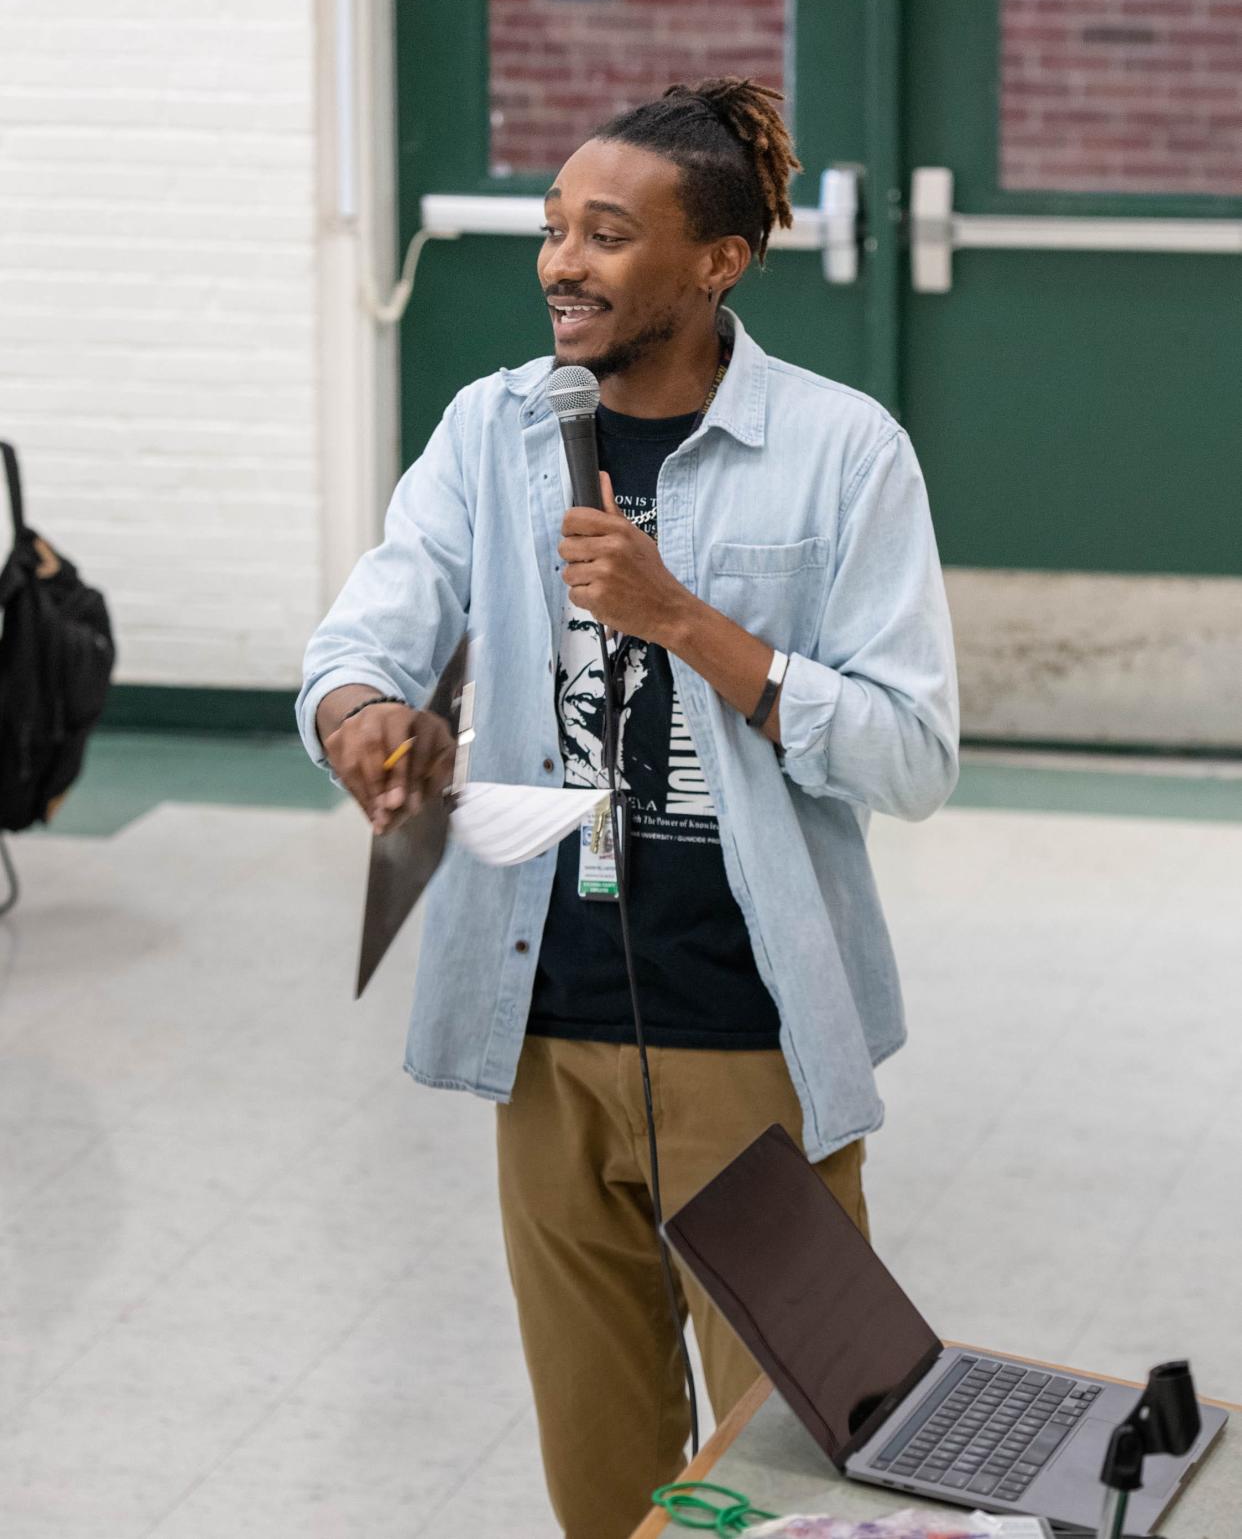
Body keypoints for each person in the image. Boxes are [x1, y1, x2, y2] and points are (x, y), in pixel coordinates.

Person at [297, 77, 958, 1539]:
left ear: (718, 261)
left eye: (606, 233)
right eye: (552, 229)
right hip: (540, 1026)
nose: (559, 263)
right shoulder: (493, 429)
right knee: (604, 1482)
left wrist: (684, 622)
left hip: (749, 1034)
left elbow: (912, 754)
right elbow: (363, 638)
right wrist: (364, 720)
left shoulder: (842, 450)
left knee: (793, 1478)